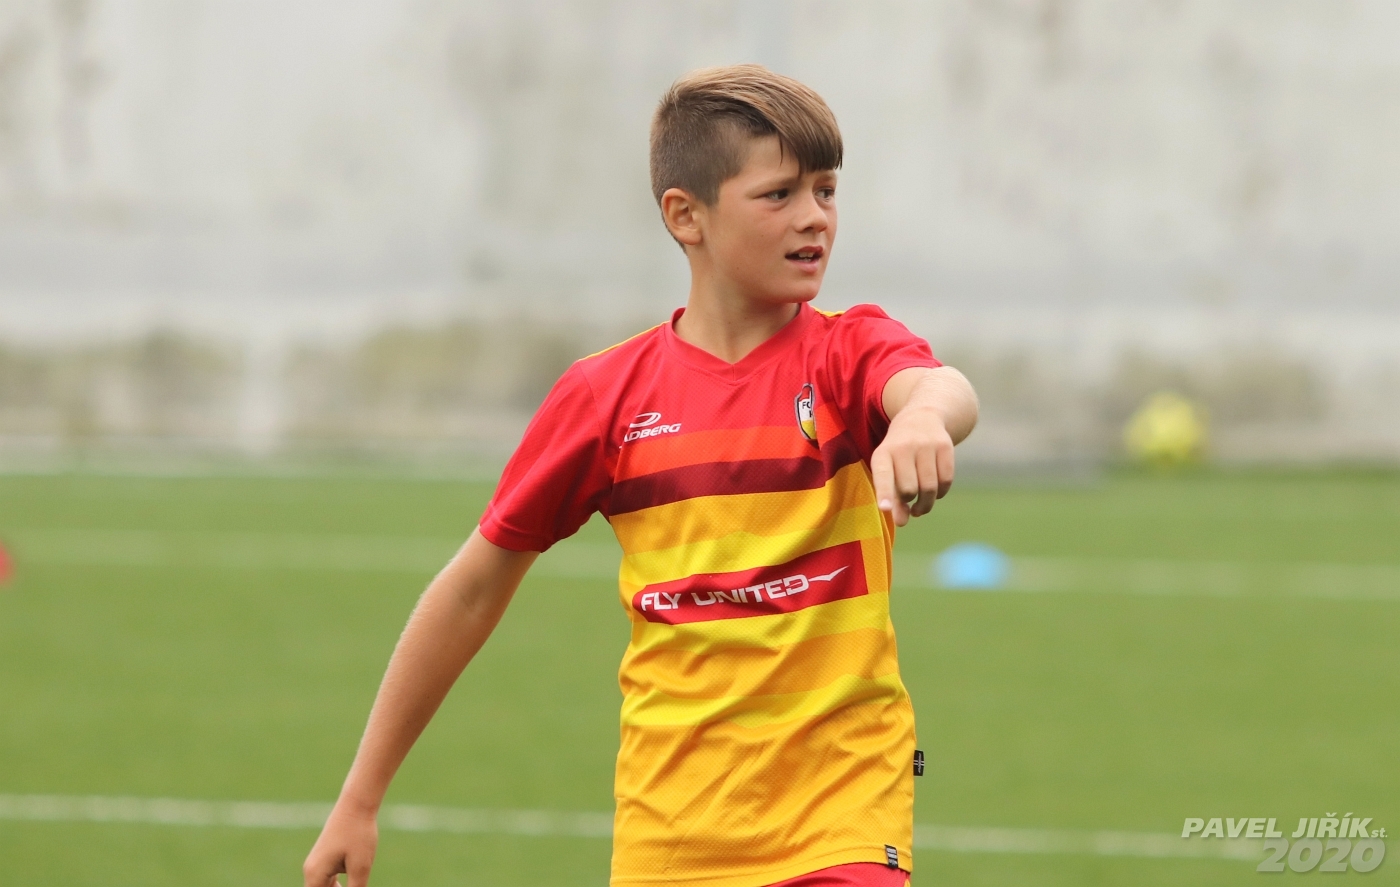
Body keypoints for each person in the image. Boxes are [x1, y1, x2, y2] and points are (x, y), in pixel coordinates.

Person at [304, 64, 978, 887]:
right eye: (779, 194)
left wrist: (921, 418)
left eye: (827, 190)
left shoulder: (847, 353)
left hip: (842, 823)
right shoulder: (607, 398)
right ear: (685, 215)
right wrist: (360, 796)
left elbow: (939, 387)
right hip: (670, 837)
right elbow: (472, 589)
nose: (815, 217)